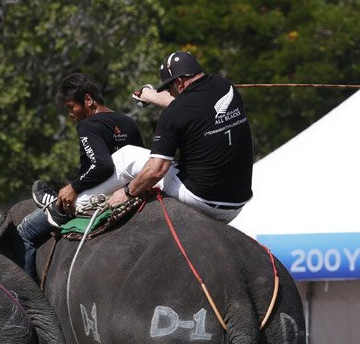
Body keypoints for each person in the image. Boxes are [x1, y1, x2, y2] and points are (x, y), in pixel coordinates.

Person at [15, 73, 144, 276]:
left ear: (88, 100)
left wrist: (73, 187)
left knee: (24, 232)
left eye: (71, 107)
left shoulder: (88, 125)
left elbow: (102, 165)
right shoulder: (127, 121)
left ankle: (27, 303)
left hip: (96, 194)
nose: (71, 114)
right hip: (128, 190)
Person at [104, 51, 254, 220]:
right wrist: (149, 94)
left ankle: (80, 202)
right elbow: (187, 107)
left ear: (180, 82)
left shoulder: (174, 113)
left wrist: (127, 192)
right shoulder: (226, 86)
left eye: (169, 88)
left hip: (200, 201)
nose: (170, 92)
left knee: (127, 155)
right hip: (237, 205)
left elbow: (156, 169)